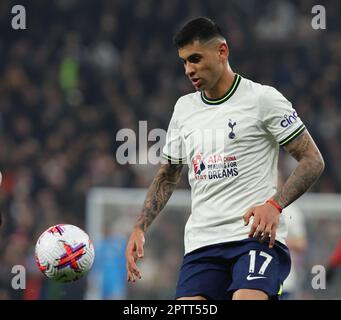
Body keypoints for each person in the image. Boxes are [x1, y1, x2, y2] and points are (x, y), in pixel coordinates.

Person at [125, 17, 325, 300]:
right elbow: (168, 175)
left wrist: (274, 205)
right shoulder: (184, 109)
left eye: (195, 58)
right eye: (184, 62)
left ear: (222, 52)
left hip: (254, 240)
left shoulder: (262, 99)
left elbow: (313, 160)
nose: (189, 69)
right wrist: (140, 227)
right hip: (202, 244)